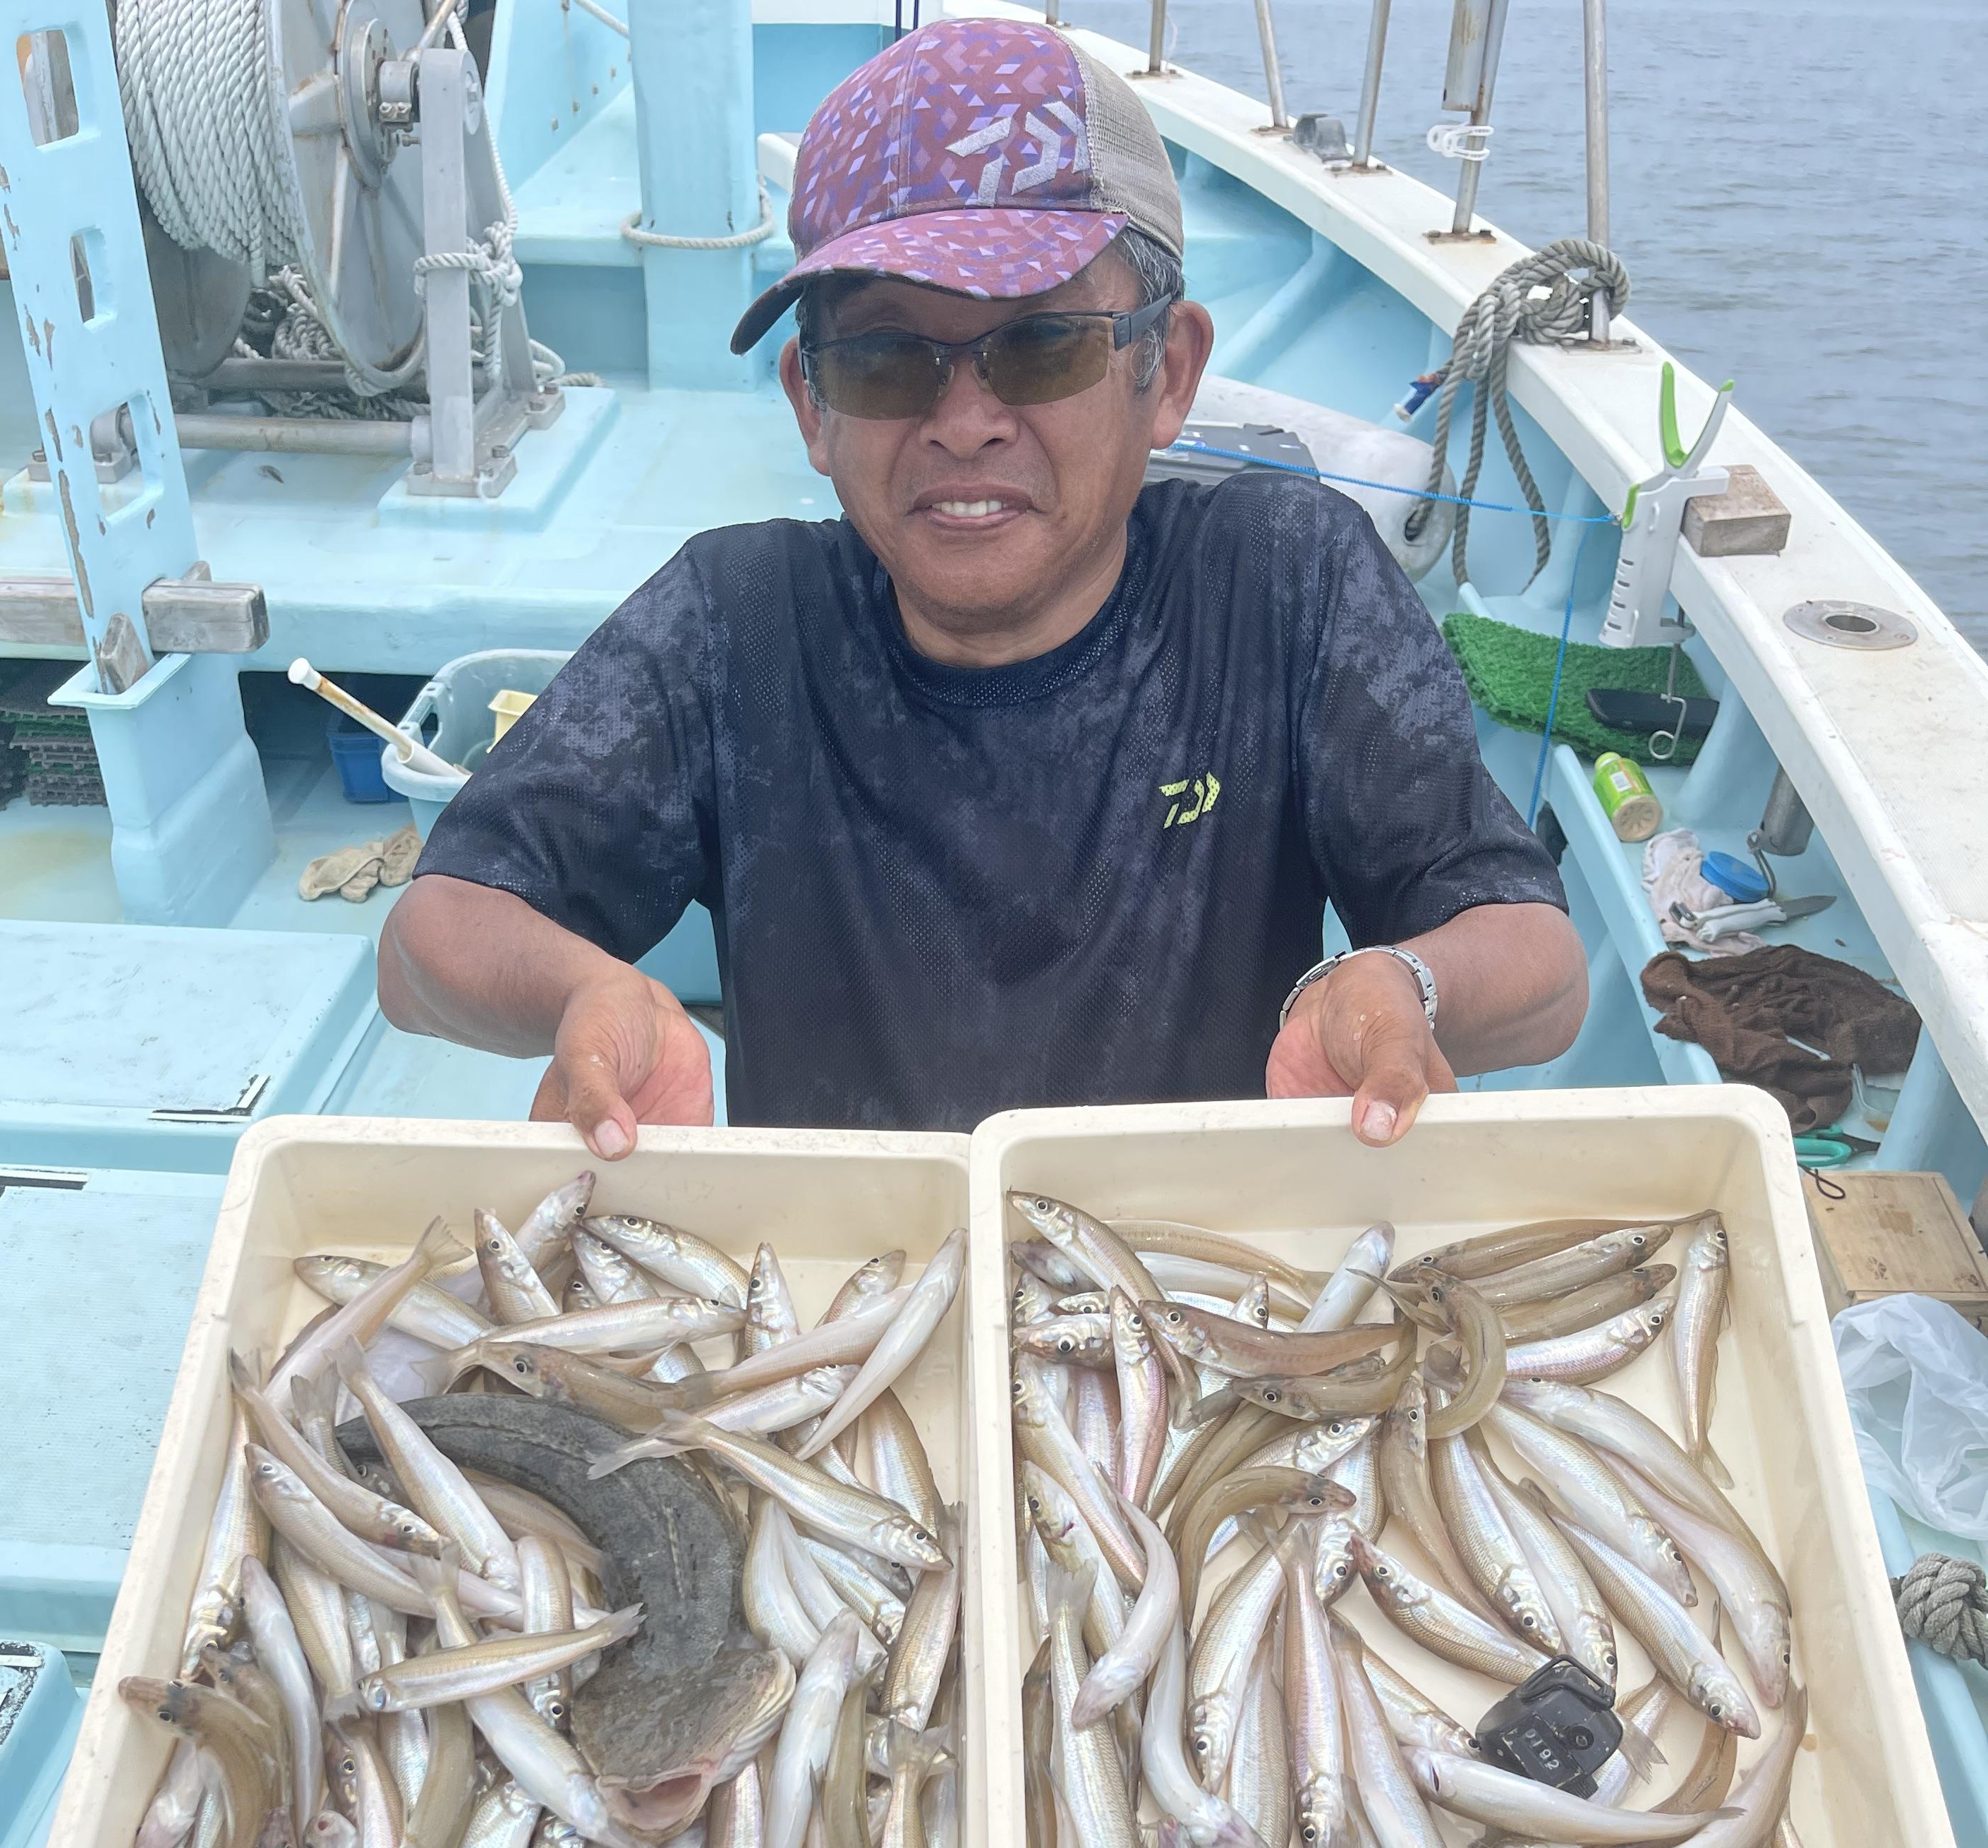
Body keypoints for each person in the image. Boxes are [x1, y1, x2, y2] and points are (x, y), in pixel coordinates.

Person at [378, 18, 1585, 1150]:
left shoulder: (1284, 584)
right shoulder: (736, 624)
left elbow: (1539, 965)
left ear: (1165, 374)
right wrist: (587, 990)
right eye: (889, 357)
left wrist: (1401, 984)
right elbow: (428, 942)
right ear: (812, 402)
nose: (965, 422)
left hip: (1199, 1294)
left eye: (1041, 343)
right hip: (846, 1308)